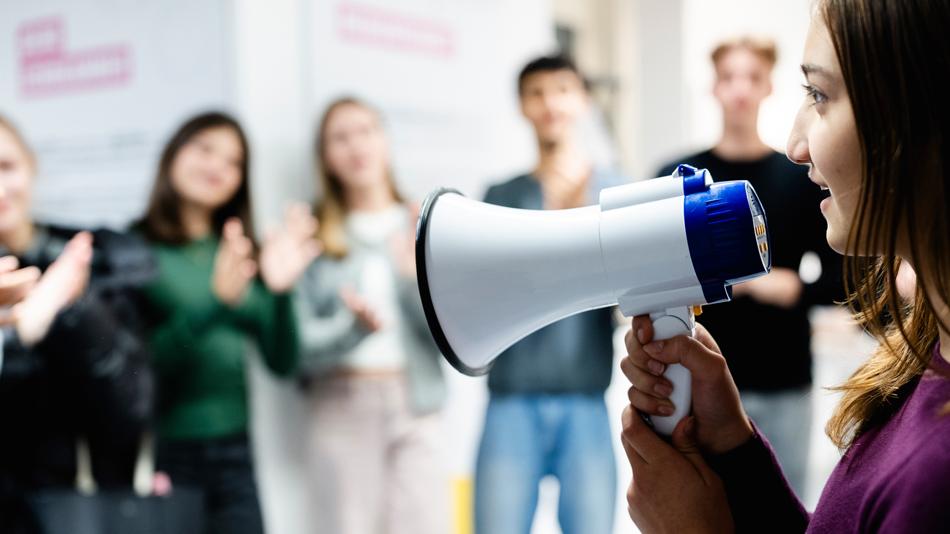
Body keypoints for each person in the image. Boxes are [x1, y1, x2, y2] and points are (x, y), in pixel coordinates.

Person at [621, 0, 950, 532]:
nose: (798, 146)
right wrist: (735, 444)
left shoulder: (933, 479)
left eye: (819, 94)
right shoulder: (922, 367)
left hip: (785, 375)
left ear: (917, 117)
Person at [655, 36, 843, 495]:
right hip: (697, 380)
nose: (740, 89)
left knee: (783, 508)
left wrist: (796, 288)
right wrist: (744, 283)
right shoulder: (679, 178)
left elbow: (843, 282)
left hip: (783, 380)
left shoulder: (799, 180)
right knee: (703, 506)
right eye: (728, 78)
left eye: (752, 78)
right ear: (713, 87)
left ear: (768, 88)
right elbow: (654, 271)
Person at [138, 111, 319, 534]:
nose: (217, 167)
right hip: (171, 455)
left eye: (233, 161)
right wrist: (215, 303)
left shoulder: (240, 250)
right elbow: (142, 367)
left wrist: (281, 291)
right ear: (173, 154)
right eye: (204, 149)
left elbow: (282, 363)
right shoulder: (136, 250)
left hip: (237, 452)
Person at [475, 55, 627, 534]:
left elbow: (629, 296)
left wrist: (581, 218)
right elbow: (490, 293)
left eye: (562, 90)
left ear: (582, 100)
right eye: (536, 93)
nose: (550, 104)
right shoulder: (501, 196)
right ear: (523, 106)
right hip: (511, 394)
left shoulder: (615, 193)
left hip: (585, 395)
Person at [295, 97, 448, 534]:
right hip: (340, 403)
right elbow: (299, 350)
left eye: (365, 131)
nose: (355, 146)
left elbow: (447, 335)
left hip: (416, 403)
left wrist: (407, 280)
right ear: (325, 157)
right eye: (339, 138)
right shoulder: (310, 235)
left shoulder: (424, 222)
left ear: (384, 140)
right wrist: (352, 331)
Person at [0, 115, 155, 533]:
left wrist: (72, 307)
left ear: (32, 167)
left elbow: (129, 406)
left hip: (66, 503)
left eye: (6, 167)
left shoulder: (91, 261)